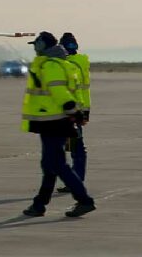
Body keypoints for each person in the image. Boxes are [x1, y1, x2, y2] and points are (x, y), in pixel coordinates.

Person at [21, 31, 95, 218]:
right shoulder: (51, 63)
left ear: (44, 45)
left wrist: (73, 111)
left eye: (36, 44)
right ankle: (39, 204)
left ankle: (84, 200)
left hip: (55, 121)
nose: (34, 48)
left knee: (58, 164)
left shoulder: (50, 66)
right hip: (50, 121)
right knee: (49, 164)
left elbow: (59, 91)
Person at [57, 32, 90, 193]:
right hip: (80, 109)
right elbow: (85, 91)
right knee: (74, 147)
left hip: (72, 112)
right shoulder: (81, 63)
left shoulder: (69, 65)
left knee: (75, 148)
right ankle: (76, 179)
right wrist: (86, 110)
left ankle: (75, 181)